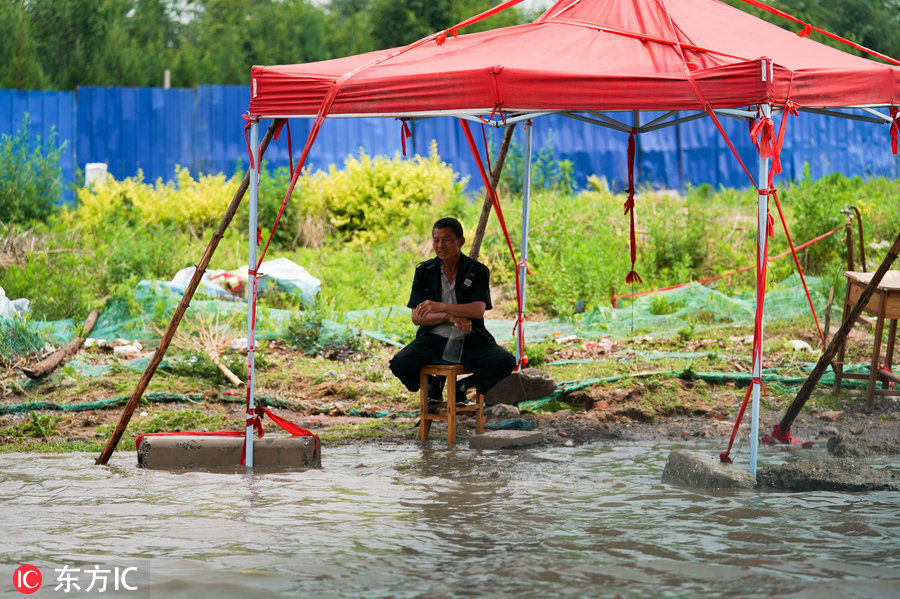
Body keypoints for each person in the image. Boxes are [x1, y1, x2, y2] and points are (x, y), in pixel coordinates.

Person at [389, 217, 517, 402]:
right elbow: (417, 317)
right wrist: (449, 316)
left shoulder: (477, 271)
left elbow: (477, 311)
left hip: (470, 337)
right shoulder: (425, 271)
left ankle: (462, 386)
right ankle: (433, 385)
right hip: (433, 339)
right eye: (436, 240)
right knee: (400, 363)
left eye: (446, 239)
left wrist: (440, 306)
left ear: (460, 242)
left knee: (504, 361)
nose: (440, 245)